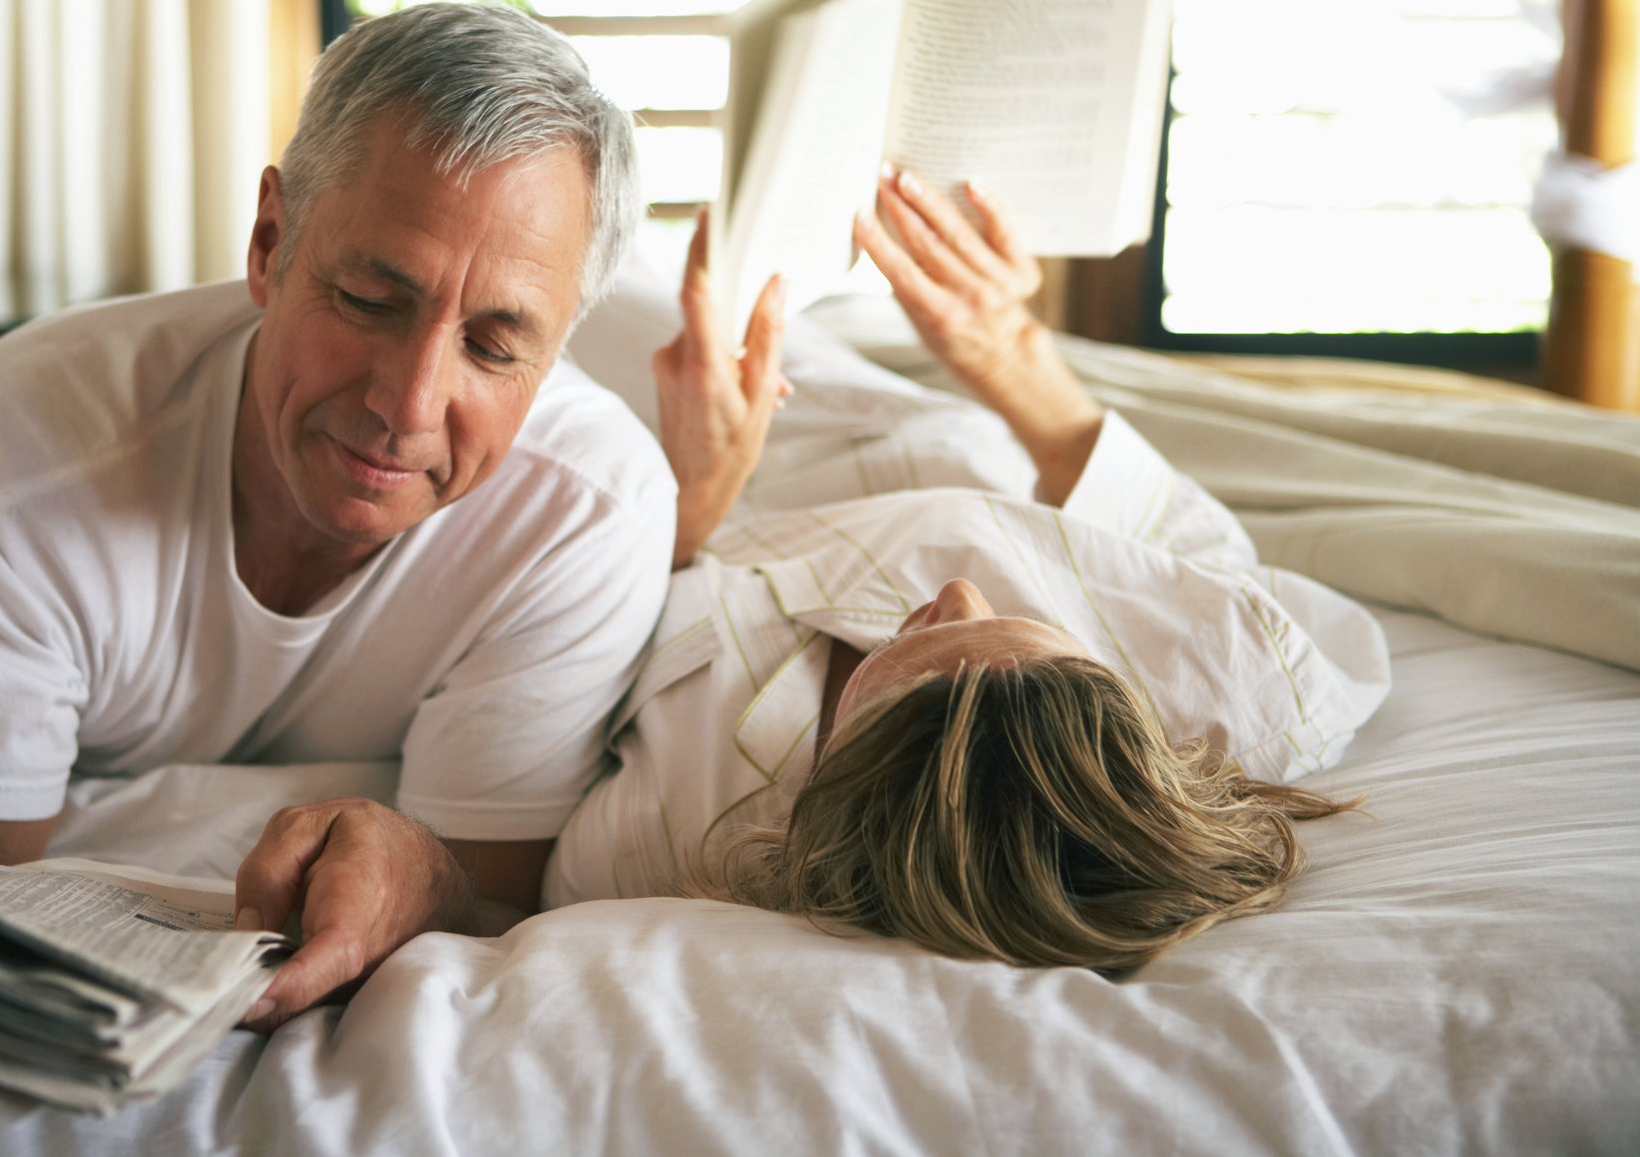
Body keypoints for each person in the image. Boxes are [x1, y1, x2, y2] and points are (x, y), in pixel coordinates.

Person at [0, 2, 692, 1028]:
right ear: (270, 241)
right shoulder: (9, 449)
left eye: (494, 345)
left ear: (553, 352)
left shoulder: (589, 515)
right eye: (372, 300)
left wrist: (426, 870)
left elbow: (484, 893)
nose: (408, 405)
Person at [547, 166, 1391, 969]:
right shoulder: (1248, 691)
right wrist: (1003, 347)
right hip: (871, 443)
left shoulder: (665, 833)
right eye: (1010, 622)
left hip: (643, 532)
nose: (955, 592)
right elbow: (1164, 527)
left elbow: (540, 684)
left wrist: (691, 499)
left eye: (909, 648)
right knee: (603, 258)